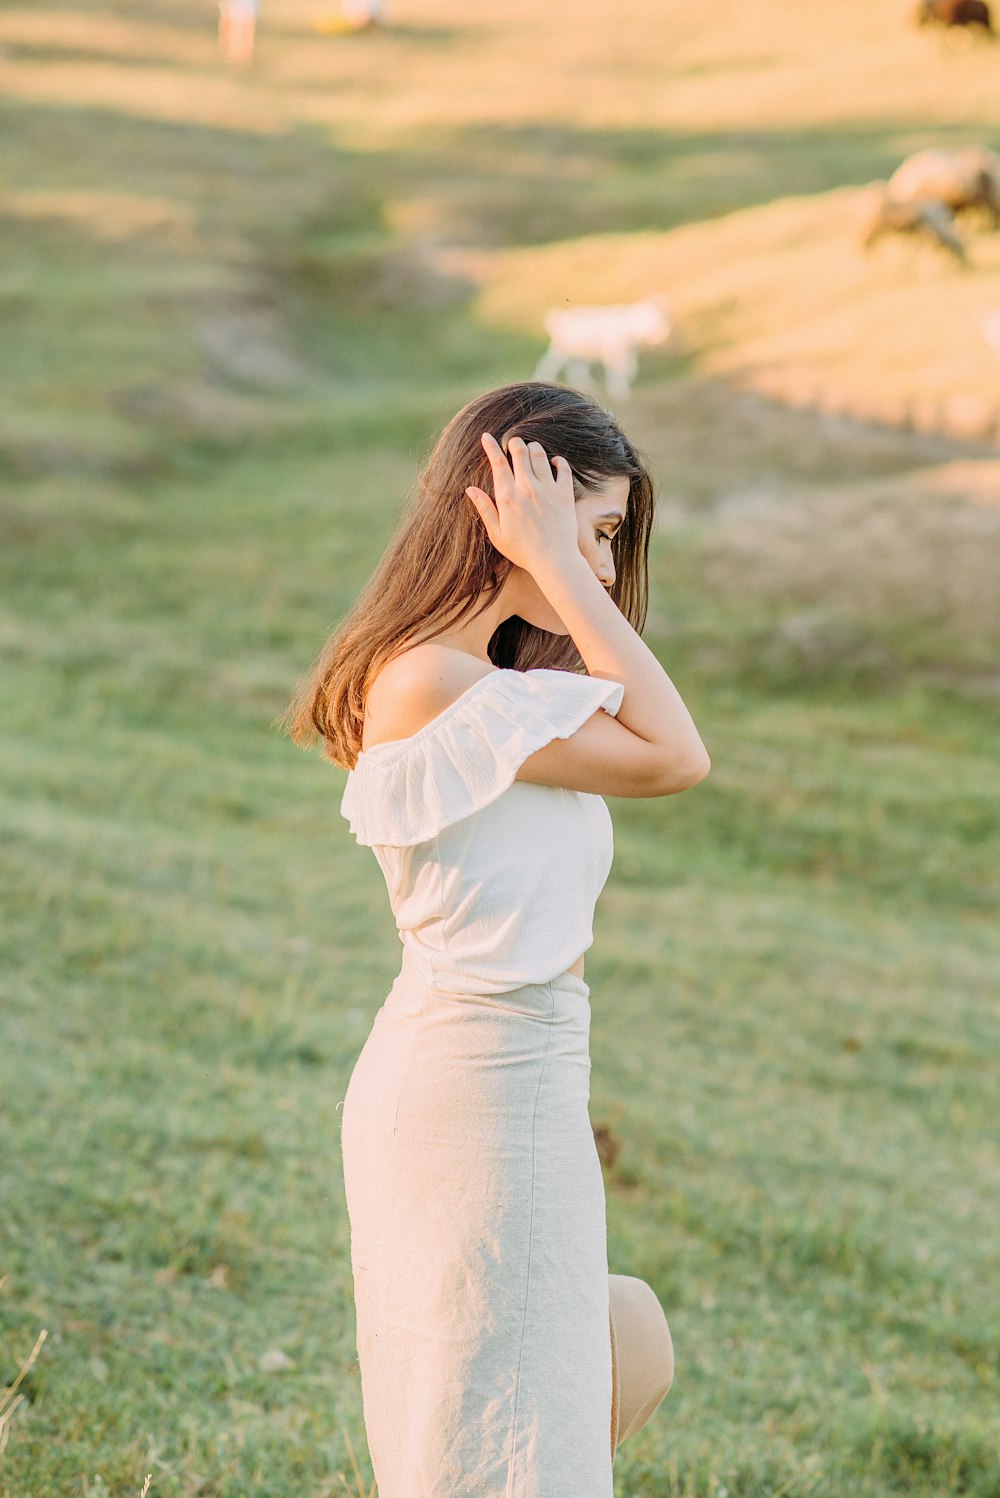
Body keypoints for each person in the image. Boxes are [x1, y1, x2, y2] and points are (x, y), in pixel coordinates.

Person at [280, 381, 710, 1495]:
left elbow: (653, 741)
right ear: (507, 511)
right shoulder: (433, 681)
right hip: (476, 1078)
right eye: (600, 531)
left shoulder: (498, 691)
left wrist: (567, 564)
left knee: (593, 1359)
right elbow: (675, 755)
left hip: (517, 1070)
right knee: (500, 1420)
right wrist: (561, 566)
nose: (607, 569)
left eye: (612, 542)